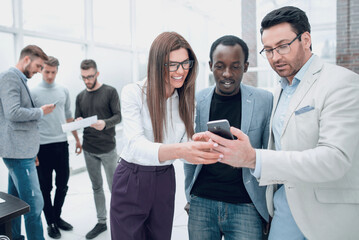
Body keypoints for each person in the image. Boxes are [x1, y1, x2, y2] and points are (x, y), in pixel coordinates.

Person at [201, 6, 359, 240]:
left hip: (326, 215)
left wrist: (254, 158)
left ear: (306, 39)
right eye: (269, 50)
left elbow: (334, 159)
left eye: (283, 46)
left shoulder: (341, 82)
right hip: (283, 209)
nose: (275, 57)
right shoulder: (279, 90)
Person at [110, 31, 221, 240]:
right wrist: (181, 150)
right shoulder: (133, 93)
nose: (180, 71)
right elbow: (135, 145)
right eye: (172, 65)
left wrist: (200, 145)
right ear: (156, 64)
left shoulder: (186, 100)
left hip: (164, 178)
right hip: (132, 178)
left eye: (185, 63)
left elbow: (184, 145)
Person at [184, 35, 273, 240]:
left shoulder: (264, 100)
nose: (227, 74)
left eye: (235, 66)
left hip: (246, 203)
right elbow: (190, 152)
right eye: (220, 66)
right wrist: (191, 195)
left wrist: (267, 206)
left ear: (246, 67)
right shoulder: (196, 101)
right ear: (210, 66)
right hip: (202, 200)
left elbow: (270, 153)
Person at [0, 45, 55, 240]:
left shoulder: (19, 79)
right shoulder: (9, 77)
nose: (39, 71)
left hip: (22, 152)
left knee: (14, 204)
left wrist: (33, 153)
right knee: (33, 206)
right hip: (17, 153)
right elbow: (13, 113)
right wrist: (41, 111)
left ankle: (13, 237)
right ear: (26, 60)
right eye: (38, 66)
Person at [31, 56, 82, 239]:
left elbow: (68, 116)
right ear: (41, 70)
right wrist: (32, 150)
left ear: (57, 71)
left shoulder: (63, 90)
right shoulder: (33, 92)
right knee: (46, 187)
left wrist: (76, 139)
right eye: (46, 71)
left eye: (53, 72)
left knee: (62, 185)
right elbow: (30, 121)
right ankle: (50, 223)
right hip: (41, 147)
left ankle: (57, 217)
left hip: (61, 144)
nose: (50, 75)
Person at [75, 59, 121, 239]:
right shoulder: (80, 96)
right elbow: (78, 117)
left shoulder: (110, 92)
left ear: (97, 74)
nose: (87, 80)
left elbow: (118, 117)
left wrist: (105, 123)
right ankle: (102, 222)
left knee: (114, 188)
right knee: (96, 187)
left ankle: (119, 221)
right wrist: (78, 121)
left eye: (90, 76)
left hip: (108, 149)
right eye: (83, 77)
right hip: (89, 149)